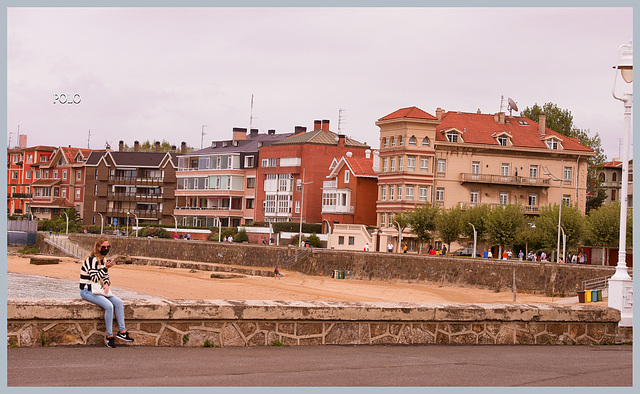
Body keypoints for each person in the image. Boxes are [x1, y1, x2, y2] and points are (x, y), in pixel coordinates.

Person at [79, 237, 133, 348]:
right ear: (98, 247)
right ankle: (109, 337)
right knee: (109, 306)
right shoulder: (91, 260)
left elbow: (105, 276)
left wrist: (107, 283)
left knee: (118, 303)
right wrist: (106, 268)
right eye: (104, 247)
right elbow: (94, 278)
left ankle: (122, 332)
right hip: (87, 290)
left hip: (98, 289)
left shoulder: (103, 259)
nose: (106, 248)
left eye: (108, 247)